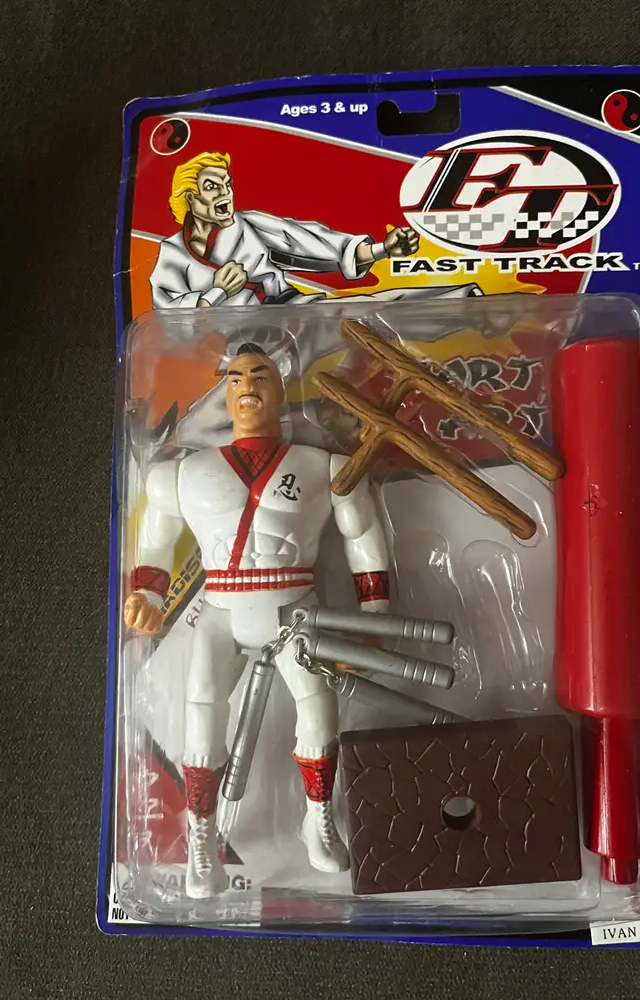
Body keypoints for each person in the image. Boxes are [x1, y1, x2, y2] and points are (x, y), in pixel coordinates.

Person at [123, 344, 390, 898]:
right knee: (201, 718)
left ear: (280, 386)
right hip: (221, 607)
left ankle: (317, 818)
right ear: (224, 390)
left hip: (296, 605)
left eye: (260, 374)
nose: (247, 384)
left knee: (319, 712)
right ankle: (201, 839)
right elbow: (156, 540)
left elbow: (362, 533)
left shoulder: (324, 465)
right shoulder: (184, 473)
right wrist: (146, 595)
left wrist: (375, 614)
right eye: (236, 376)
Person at [149, 151, 419, 308]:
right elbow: (172, 321)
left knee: (386, 305)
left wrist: (383, 249)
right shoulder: (173, 253)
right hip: (235, 346)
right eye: (212, 187)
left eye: (227, 184)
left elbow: (311, 242)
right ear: (190, 197)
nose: (225, 193)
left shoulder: (249, 224)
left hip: (290, 315)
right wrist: (218, 292)